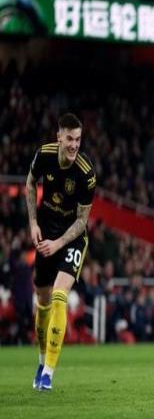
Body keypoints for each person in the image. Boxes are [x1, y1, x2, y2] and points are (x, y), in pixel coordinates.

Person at [26, 113, 96, 390]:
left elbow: (82, 221)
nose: (74, 145)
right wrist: (33, 223)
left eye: (78, 139)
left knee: (59, 294)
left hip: (72, 238)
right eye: (69, 139)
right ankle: (41, 360)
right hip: (45, 234)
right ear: (59, 137)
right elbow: (30, 183)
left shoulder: (86, 173)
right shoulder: (43, 155)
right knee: (42, 302)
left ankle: (48, 374)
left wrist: (58, 243)